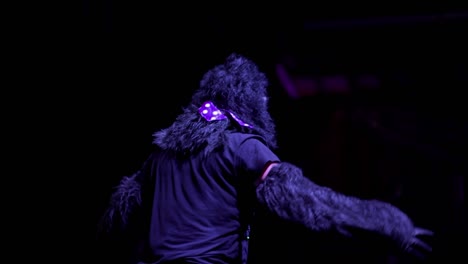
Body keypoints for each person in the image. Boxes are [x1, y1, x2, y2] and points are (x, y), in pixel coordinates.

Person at [97, 53, 433, 264]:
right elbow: (306, 202)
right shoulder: (242, 147)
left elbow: (116, 220)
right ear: (250, 101)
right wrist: (389, 223)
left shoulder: (158, 157)